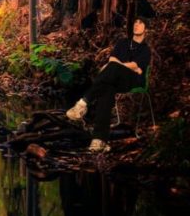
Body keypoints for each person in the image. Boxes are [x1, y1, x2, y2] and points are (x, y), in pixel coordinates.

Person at [65, 19, 151, 152]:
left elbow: (136, 66)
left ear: (146, 28)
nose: (136, 25)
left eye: (140, 23)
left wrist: (121, 65)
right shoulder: (123, 43)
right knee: (107, 90)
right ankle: (99, 140)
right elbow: (113, 60)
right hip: (117, 79)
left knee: (112, 68)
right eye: (135, 23)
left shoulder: (145, 49)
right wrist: (126, 66)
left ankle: (83, 102)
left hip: (134, 80)